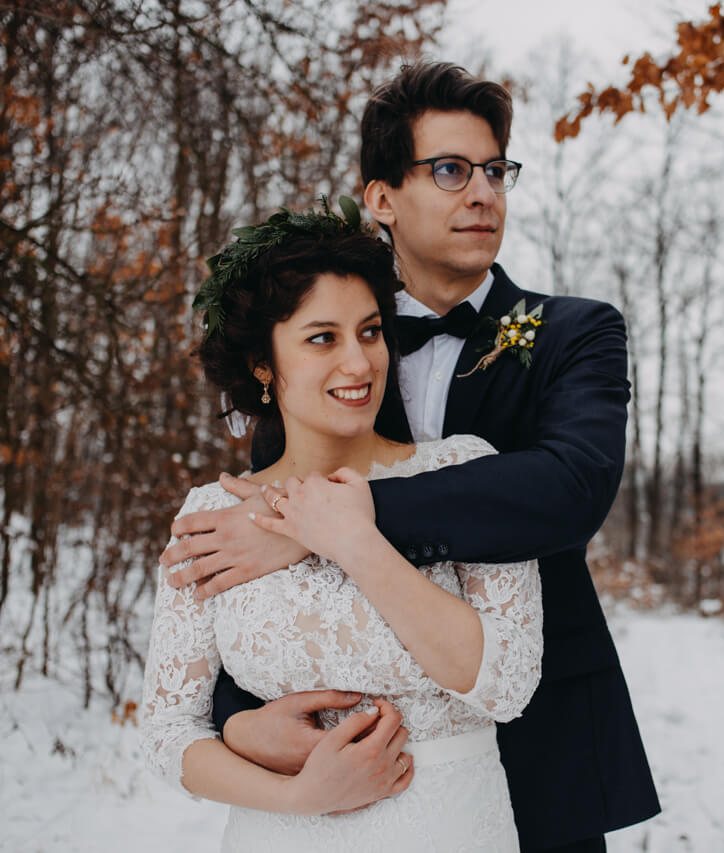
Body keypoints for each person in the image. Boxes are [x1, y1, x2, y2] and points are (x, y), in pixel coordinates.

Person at [162, 62, 662, 851]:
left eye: (496, 170)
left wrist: (339, 521)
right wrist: (239, 721)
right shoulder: (320, 361)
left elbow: (571, 488)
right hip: (339, 776)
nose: (484, 192)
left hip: (544, 744)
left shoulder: (575, 332)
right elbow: (267, 604)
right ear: (382, 197)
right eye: (452, 170)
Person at [139, 202, 543, 851]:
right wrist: (300, 796)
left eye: (370, 331)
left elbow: (509, 685)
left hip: (450, 827)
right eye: (323, 338)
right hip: (279, 834)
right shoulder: (211, 516)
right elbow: (167, 732)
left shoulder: (464, 470)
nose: (359, 364)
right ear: (263, 363)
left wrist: (352, 540)